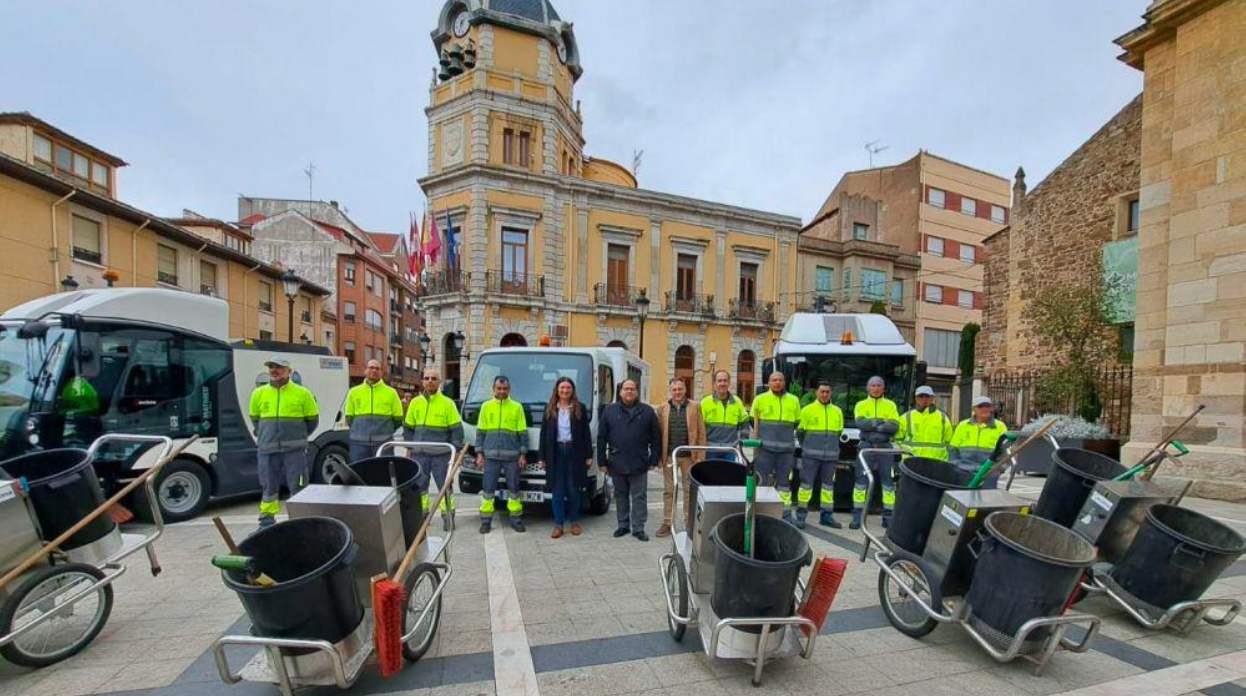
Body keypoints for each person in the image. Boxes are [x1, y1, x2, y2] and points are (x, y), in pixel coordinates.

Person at [249, 358, 319, 529]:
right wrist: (266, 436)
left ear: (289, 371)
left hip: (295, 450)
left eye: (279, 367)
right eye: (271, 367)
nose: (274, 370)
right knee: (268, 487)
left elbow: (312, 421)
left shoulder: (303, 394)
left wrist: (297, 437)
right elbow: (255, 419)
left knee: (299, 486)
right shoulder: (258, 393)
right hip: (267, 449)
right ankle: (266, 522)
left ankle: (299, 521)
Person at [597, 378, 661, 541]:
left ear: (637, 392)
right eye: (626, 389)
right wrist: (601, 461)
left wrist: (654, 459)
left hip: (639, 462)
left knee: (639, 496)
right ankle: (623, 525)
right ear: (620, 392)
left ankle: (638, 528)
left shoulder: (647, 412)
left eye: (632, 389)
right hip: (616, 461)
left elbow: (656, 437)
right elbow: (601, 437)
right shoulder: (609, 411)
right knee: (620, 495)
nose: (629, 391)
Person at [404, 368, 465, 531]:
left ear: (439, 382)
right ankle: (422, 516)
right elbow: (408, 428)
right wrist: (409, 448)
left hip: (441, 456)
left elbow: (457, 430)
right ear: (422, 381)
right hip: (419, 454)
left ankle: (448, 518)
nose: (430, 381)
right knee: (420, 488)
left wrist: (457, 451)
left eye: (433, 378)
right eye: (427, 378)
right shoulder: (415, 403)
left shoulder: (448, 403)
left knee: (445, 487)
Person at [538, 377, 592, 539]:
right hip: (555, 453)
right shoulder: (550, 408)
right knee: (557, 490)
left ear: (572, 390)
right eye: (562, 388)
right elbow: (543, 434)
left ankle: (574, 522)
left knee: (574, 488)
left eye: (568, 388)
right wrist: (542, 457)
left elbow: (586, 434)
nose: (565, 391)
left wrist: (589, 455)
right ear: (557, 390)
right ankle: (558, 525)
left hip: (574, 452)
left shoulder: (579, 408)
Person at [475, 376, 527, 534]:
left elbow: (522, 433)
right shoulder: (486, 406)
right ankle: (485, 521)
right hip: (490, 457)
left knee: (514, 490)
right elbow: (481, 432)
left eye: (505, 389)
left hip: (512, 458)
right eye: (499, 388)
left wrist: (523, 454)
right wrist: (479, 453)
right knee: (488, 491)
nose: (502, 391)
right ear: (494, 389)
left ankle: (516, 519)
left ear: (509, 390)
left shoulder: (517, 407)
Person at [656, 378, 706, 538]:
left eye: (680, 389)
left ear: (685, 390)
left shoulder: (695, 406)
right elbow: (658, 435)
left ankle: (688, 523)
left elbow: (701, 432)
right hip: (670, 456)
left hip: (689, 457)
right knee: (669, 490)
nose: (677, 392)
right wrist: (659, 457)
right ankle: (667, 521)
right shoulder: (662, 408)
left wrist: (700, 456)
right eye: (674, 389)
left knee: (688, 491)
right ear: (670, 390)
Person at [852, 375, 901, 530]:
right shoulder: (860, 404)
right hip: (866, 448)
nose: (876, 388)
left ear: (883, 388)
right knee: (860, 483)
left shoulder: (890, 405)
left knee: (888, 484)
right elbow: (860, 423)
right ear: (868, 388)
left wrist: (872, 425)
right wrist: (880, 424)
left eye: (879, 385)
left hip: (885, 448)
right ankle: (857, 516)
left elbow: (894, 427)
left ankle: (888, 517)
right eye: (872, 385)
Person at [751, 372, 801, 521]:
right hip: (764, 450)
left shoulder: (794, 400)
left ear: (784, 382)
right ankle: (761, 512)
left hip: (786, 451)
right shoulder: (760, 399)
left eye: (780, 380)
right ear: (769, 383)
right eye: (774, 380)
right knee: (761, 481)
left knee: (784, 484)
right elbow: (753, 421)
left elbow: (797, 422)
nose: (777, 383)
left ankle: (785, 515)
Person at [796, 381, 843, 529]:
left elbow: (839, 433)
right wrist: (807, 448)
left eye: (827, 392)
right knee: (805, 486)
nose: (824, 394)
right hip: (810, 456)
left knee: (828, 488)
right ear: (816, 392)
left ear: (831, 393)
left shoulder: (837, 411)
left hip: (830, 457)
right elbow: (800, 433)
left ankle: (826, 517)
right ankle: (801, 516)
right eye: (822, 391)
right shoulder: (807, 410)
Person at [345, 359, 404, 464]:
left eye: (377, 368)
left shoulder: (391, 393)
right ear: (365, 370)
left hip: (383, 443)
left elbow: (398, 419)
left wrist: (385, 431)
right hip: (358, 443)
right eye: (371, 367)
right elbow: (349, 417)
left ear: (381, 372)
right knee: (359, 473)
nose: (374, 370)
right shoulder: (353, 392)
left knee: (383, 473)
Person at [949, 396, 1010, 488]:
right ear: (974, 409)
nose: (984, 409)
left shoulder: (1000, 427)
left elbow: (1006, 452)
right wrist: (956, 466)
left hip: (989, 473)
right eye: (980, 406)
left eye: (987, 406)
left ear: (992, 408)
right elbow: (953, 450)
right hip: (964, 471)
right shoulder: (963, 425)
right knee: (963, 498)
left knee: (986, 500)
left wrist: (998, 470)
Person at [700, 370, 750, 461]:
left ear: (729, 382)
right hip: (710, 449)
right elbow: (699, 426)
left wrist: (743, 441)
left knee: (728, 474)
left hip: (730, 449)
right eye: (719, 381)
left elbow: (745, 422)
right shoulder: (705, 402)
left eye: (725, 380)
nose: (722, 383)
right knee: (710, 474)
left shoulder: (737, 402)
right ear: (714, 383)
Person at [897, 386, 953, 462]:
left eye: (927, 396)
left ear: (932, 398)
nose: (924, 399)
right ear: (916, 398)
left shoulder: (943, 418)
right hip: (912, 462)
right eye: (921, 396)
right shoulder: (906, 417)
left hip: (936, 462)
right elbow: (898, 440)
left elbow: (949, 442)